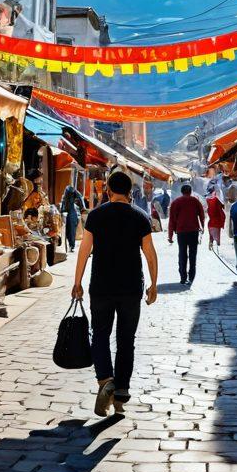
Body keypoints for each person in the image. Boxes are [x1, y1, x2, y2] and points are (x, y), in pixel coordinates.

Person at [72, 170, 158, 417]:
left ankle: (105, 381)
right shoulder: (140, 217)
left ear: (108, 190)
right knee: (126, 341)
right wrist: (154, 284)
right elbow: (149, 253)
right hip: (131, 287)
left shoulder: (96, 216)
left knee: (99, 335)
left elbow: (84, 251)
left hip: (101, 286)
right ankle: (121, 391)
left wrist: (77, 282)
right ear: (131, 192)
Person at [167, 184, 206, 285]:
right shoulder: (195, 201)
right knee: (193, 255)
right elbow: (202, 215)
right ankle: (191, 277)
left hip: (181, 232)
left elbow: (172, 220)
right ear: (190, 191)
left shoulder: (176, 202)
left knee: (182, 254)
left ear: (181, 191)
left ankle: (183, 277)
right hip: (193, 231)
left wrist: (170, 236)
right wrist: (203, 227)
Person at [60, 185, 85, 252]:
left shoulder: (67, 194)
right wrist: (82, 208)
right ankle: (71, 245)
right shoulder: (71, 193)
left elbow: (63, 204)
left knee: (70, 231)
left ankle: (71, 245)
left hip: (68, 213)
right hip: (69, 213)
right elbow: (80, 198)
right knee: (70, 231)